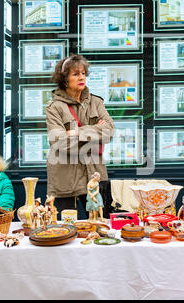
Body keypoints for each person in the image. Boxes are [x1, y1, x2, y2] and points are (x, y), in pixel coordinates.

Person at [46, 54, 115, 219]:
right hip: (65, 179)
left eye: (83, 73)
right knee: (68, 227)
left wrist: (77, 132)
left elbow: (109, 131)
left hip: (95, 174)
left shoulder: (96, 102)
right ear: (64, 79)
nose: (81, 77)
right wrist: (94, 133)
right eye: (75, 74)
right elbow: (59, 143)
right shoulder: (54, 108)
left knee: (100, 223)